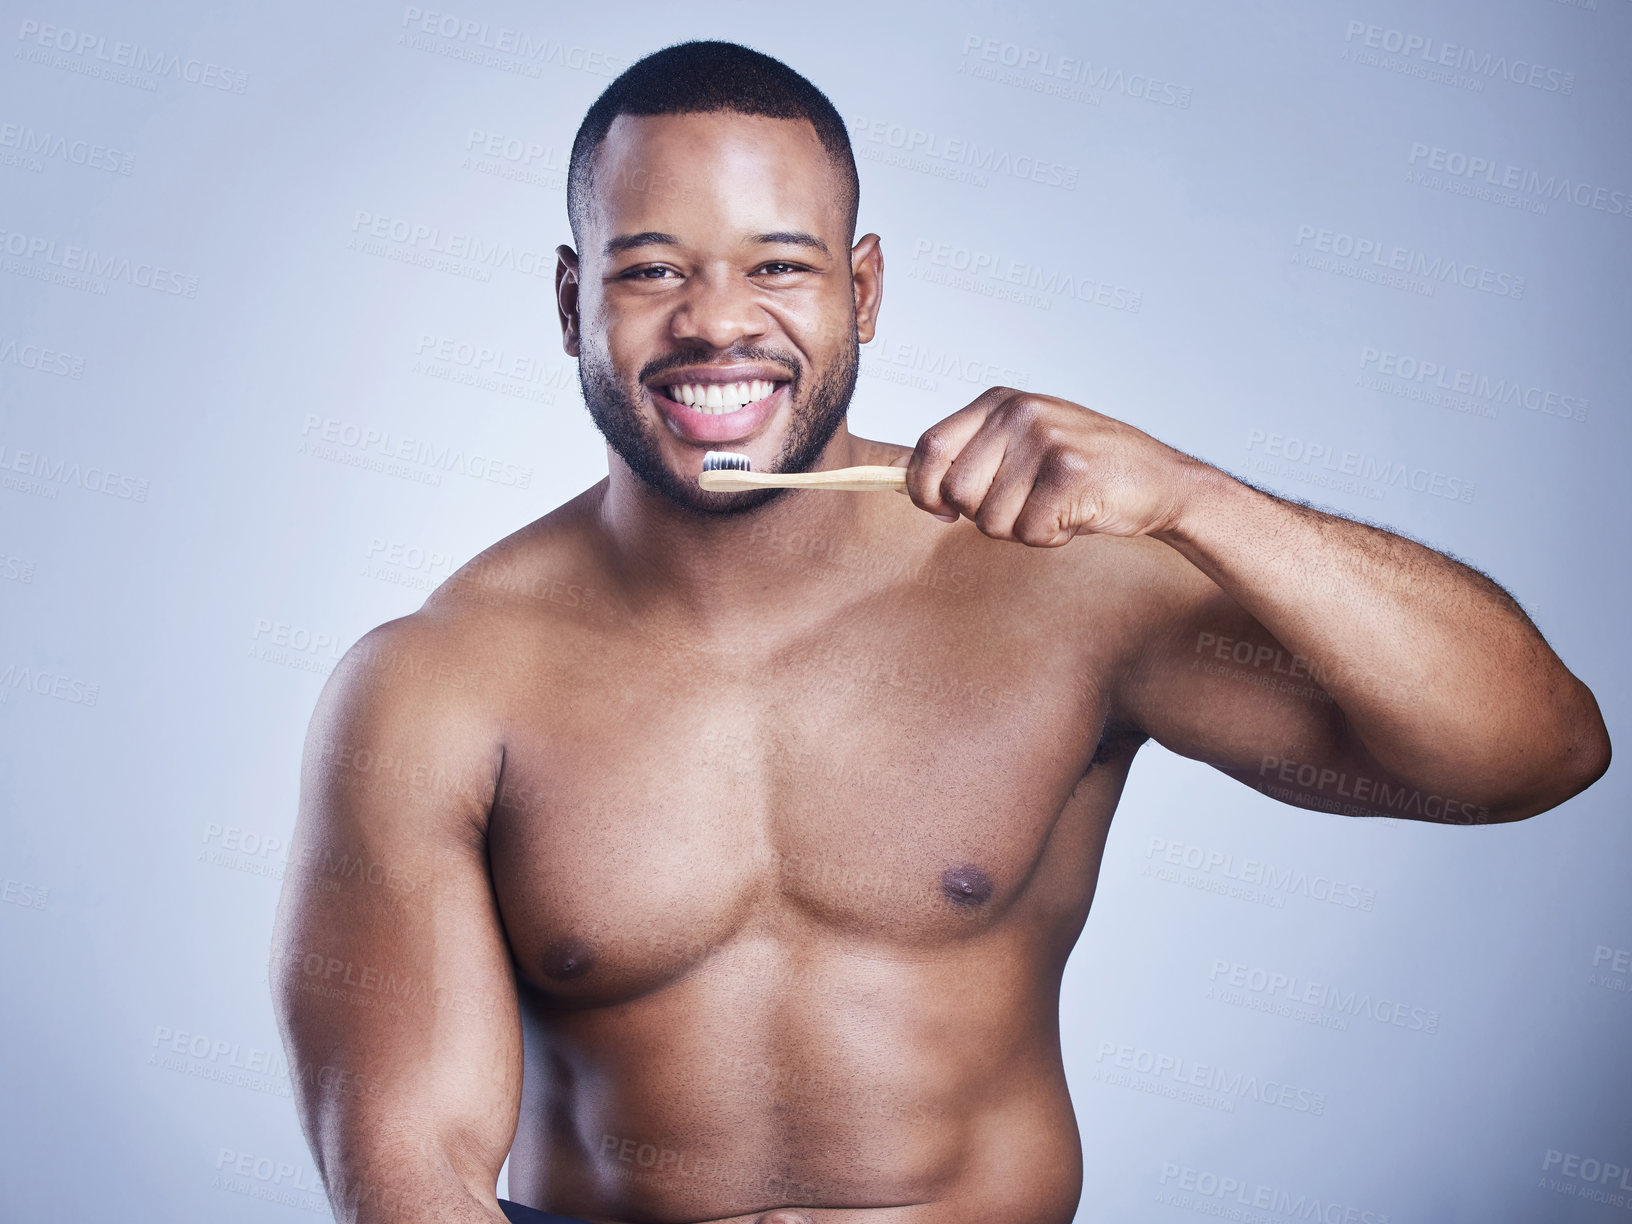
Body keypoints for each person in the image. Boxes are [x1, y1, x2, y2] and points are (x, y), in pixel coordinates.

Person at [271, 40, 1610, 1224]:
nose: (718, 320)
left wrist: (1204, 503)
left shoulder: (1068, 594)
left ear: (864, 289)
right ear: (572, 304)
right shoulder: (439, 681)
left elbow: (1530, 753)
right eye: (651, 271)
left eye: (778, 266)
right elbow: (407, 1165)